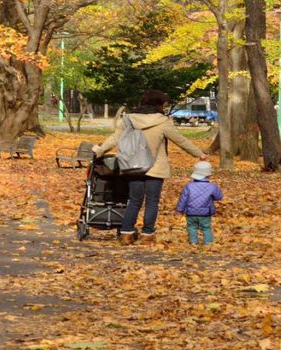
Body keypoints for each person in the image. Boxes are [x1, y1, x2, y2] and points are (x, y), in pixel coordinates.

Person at [94, 89, 208, 246]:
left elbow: (115, 139)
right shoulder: (163, 122)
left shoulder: (128, 120)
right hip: (156, 167)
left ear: (143, 102)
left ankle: (126, 234)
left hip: (133, 167)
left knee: (134, 200)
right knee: (152, 202)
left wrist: (100, 150)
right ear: (159, 104)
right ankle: (147, 235)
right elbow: (181, 141)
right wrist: (199, 154)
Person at [176, 161, 223, 245]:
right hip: (205, 212)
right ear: (208, 174)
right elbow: (219, 197)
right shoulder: (212, 186)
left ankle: (193, 242)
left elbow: (183, 199)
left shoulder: (189, 186)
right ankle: (208, 242)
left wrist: (180, 209)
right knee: (206, 227)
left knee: (191, 227)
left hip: (191, 212)